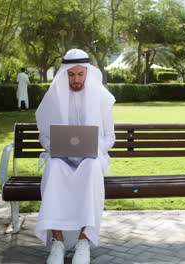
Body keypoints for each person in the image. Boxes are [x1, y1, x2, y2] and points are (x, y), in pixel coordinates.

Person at [35, 49, 116, 264]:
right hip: (61, 157)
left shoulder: (101, 98)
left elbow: (110, 137)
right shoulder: (54, 97)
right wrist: (55, 146)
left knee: (90, 168)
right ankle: (57, 242)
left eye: (80, 74)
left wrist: (95, 146)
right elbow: (44, 135)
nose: (76, 79)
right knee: (53, 168)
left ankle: (83, 241)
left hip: (91, 157)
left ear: (88, 73)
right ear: (64, 74)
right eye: (71, 74)